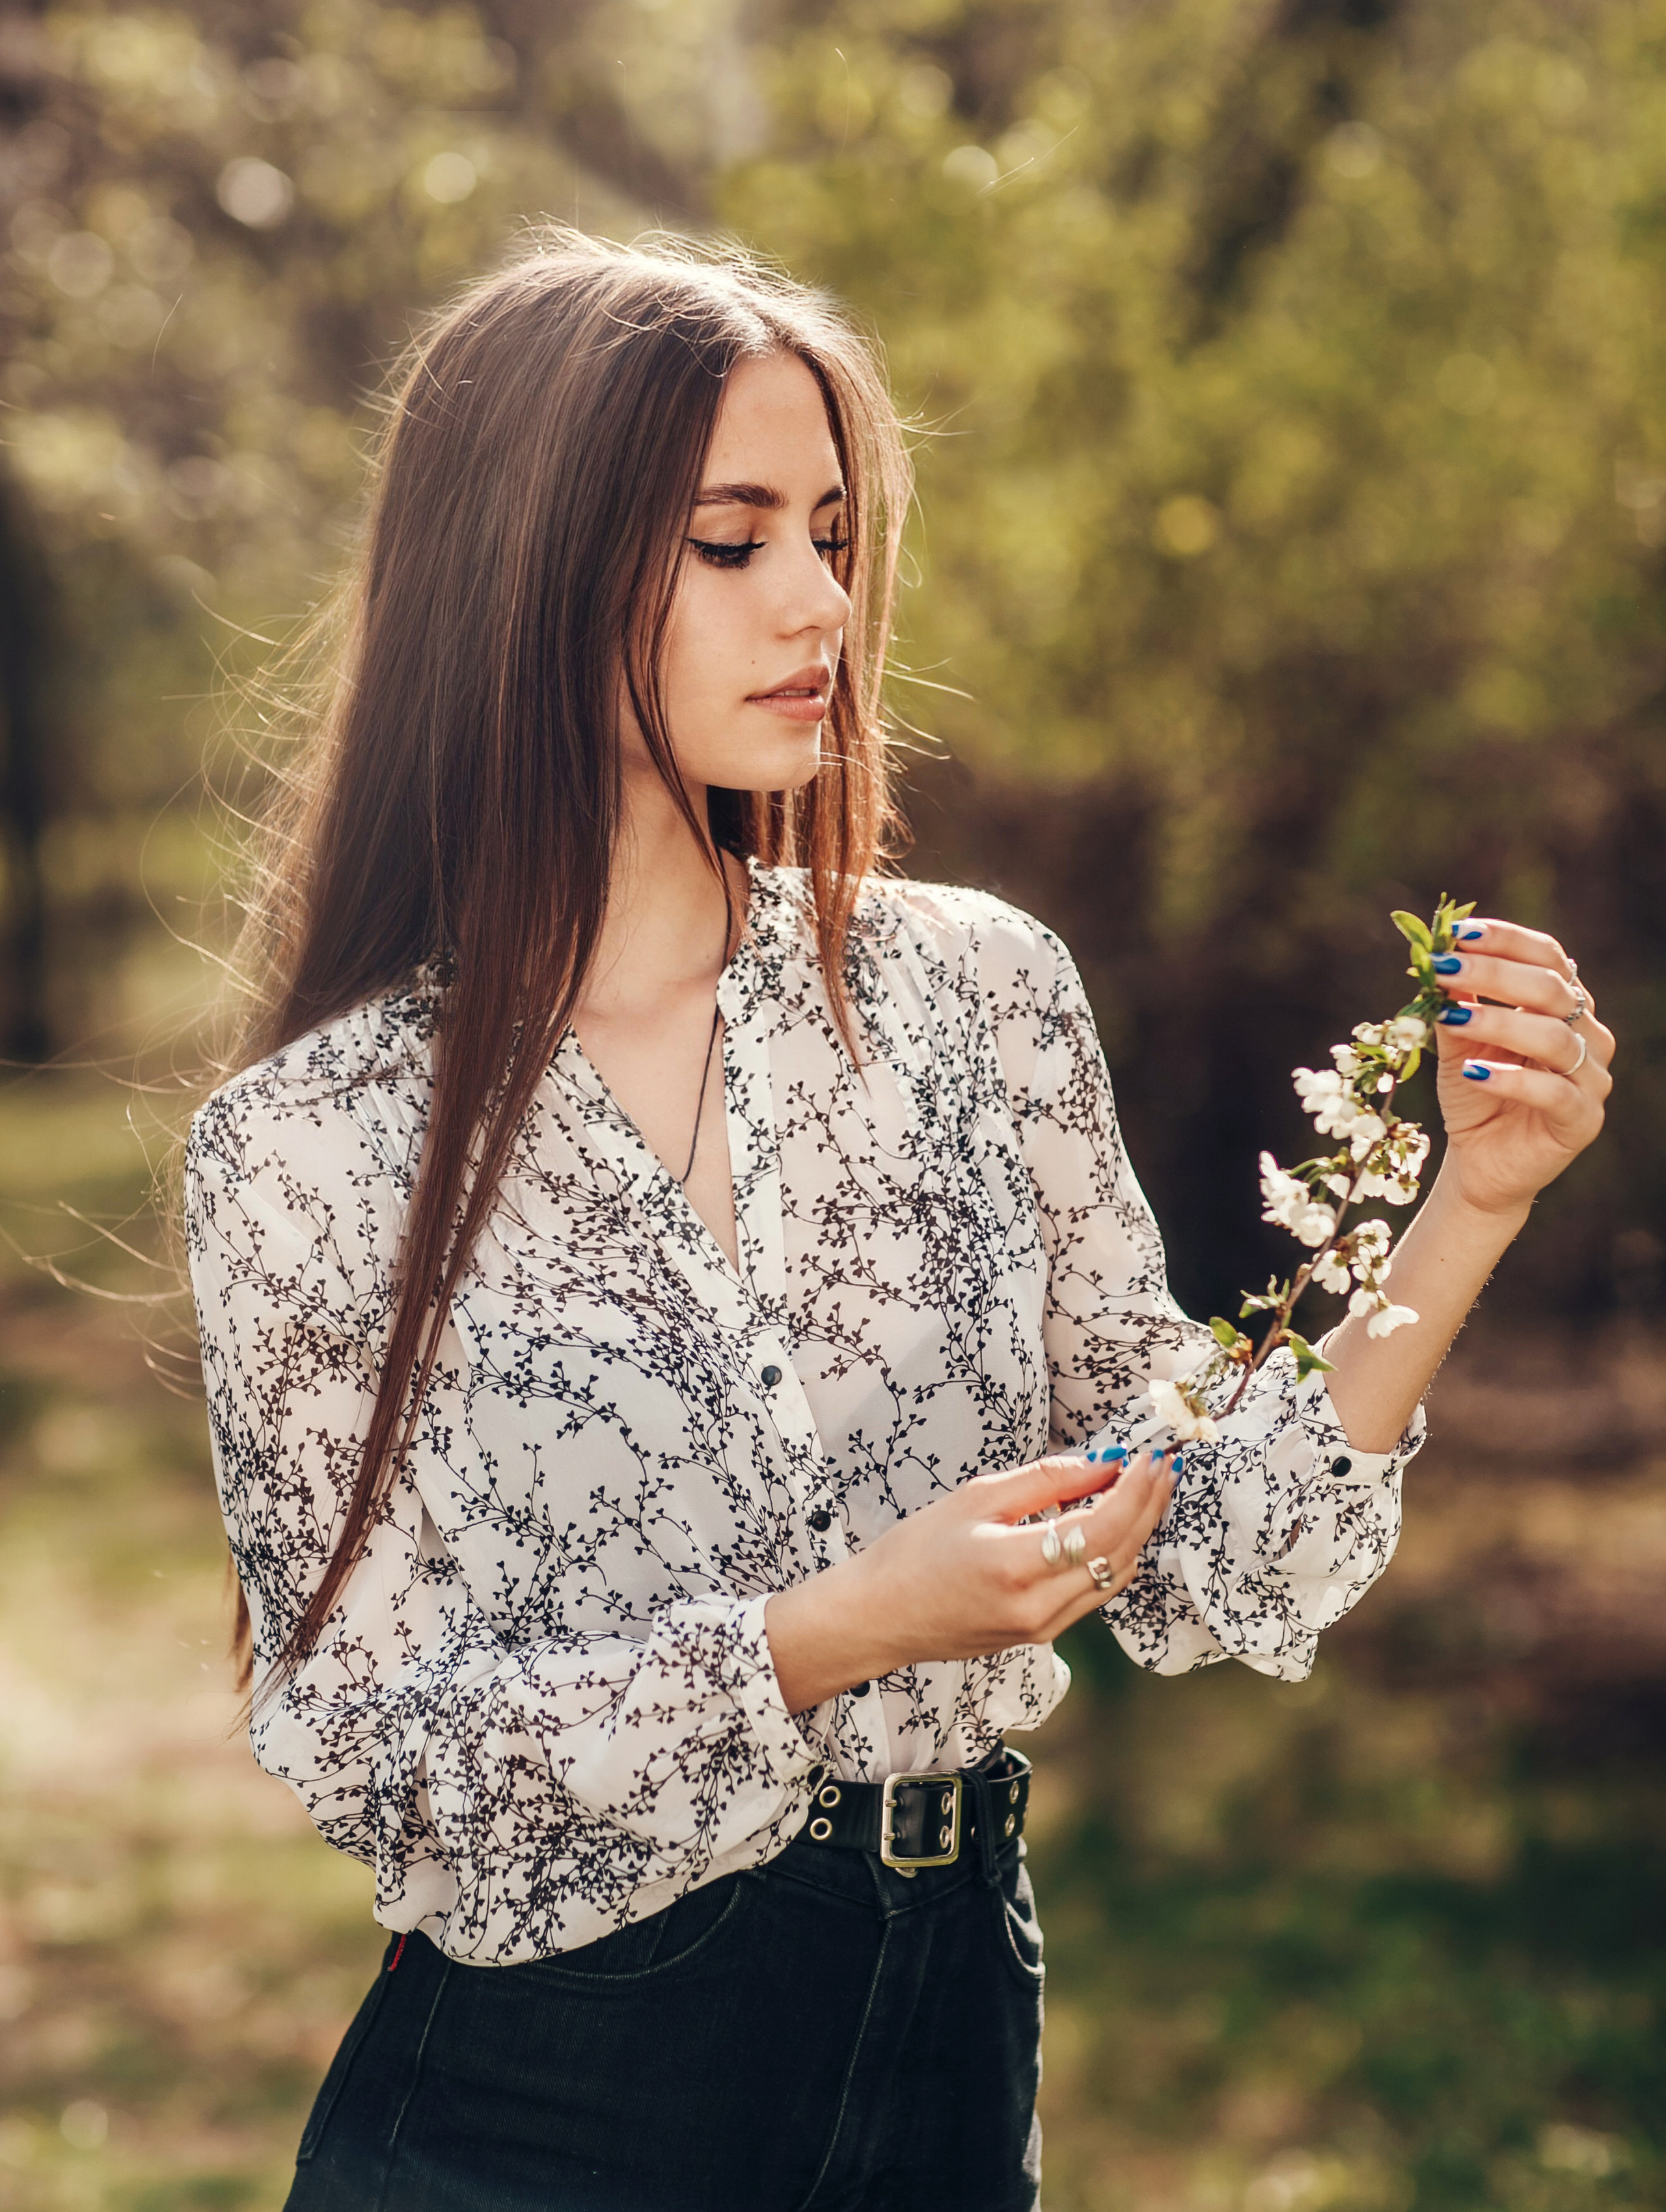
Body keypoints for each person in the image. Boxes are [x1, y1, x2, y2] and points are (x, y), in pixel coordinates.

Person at [184, 231, 1613, 2212]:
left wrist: (1470, 1208)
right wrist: (837, 1634)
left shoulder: (973, 994)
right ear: (522, 574)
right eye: (733, 541)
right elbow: (368, 1752)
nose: (822, 604)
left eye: (835, 536)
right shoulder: (311, 1148)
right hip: (543, 2107)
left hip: (949, 2046)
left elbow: (1212, 1545)